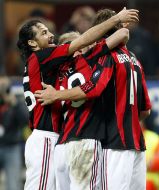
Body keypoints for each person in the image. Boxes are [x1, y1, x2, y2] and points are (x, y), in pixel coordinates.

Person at [17, 8, 139, 190]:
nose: (51, 35)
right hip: (48, 137)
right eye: (44, 33)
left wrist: (119, 26)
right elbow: (98, 39)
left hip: (60, 141)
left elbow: (119, 35)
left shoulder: (56, 69)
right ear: (33, 44)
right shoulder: (39, 58)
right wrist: (117, 20)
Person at [51, 26, 130, 190]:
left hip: (61, 145)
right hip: (85, 140)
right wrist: (117, 20)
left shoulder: (54, 74)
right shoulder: (89, 61)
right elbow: (122, 34)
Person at [0, 77, 28, 190]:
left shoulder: (15, 101)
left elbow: (25, 120)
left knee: (13, 185)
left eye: (4, 87)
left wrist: (14, 103)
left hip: (12, 147)